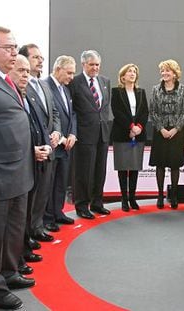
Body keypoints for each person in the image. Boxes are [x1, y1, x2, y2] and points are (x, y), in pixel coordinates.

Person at [0, 25, 35, 310]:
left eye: (15, 46)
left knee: (12, 229)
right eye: (8, 47)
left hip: (19, 171)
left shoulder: (6, 81)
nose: (14, 51)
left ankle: (8, 272)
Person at [10, 55, 52, 276]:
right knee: (16, 219)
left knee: (25, 215)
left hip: (34, 160)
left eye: (28, 71)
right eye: (21, 70)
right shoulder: (10, 97)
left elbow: (39, 126)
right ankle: (14, 263)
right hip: (16, 166)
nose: (25, 75)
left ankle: (22, 253)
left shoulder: (27, 96)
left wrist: (44, 147)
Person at [19, 43, 61, 241]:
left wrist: (57, 132)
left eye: (41, 58)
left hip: (49, 147)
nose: (41, 60)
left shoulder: (44, 84)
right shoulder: (21, 84)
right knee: (31, 196)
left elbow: (54, 112)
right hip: (33, 149)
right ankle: (26, 235)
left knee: (43, 192)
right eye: (36, 57)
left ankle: (37, 229)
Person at [69, 50, 112, 219]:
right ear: (83, 64)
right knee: (84, 172)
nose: (95, 68)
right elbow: (71, 109)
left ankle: (97, 202)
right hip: (84, 134)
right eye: (91, 64)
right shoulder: (75, 82)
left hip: (102, 134)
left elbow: (104, 107)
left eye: (97, 65)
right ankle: (82, 205)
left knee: (100, 171)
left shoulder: (105, 81)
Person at [149, 59, 184, 209]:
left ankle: (174, 196)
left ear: (174, 73)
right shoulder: (155, 89)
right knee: (160, 165)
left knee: (174, 165)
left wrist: (175, 129)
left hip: (176, 132)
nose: (164, 73)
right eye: (163, 71)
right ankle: (160, 195)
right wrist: (161, 129)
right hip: (160, 132)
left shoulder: (183, 89)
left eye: (168, 71)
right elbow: (152, 111)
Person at [44, 55, 77, 227]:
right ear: (58, 69)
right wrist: (62, 138)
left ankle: (58, 212)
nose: (72, 77)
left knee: (61, 181)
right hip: (54, 144)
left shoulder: (66, 89)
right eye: (69, 73)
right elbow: (47, 116)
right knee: (49, 183)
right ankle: (48, 218)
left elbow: (72, 114)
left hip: (67, 145)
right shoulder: (45, 86)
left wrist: (72, 134)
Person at [111, 64, 148, 211]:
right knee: (122, 167)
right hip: (122, 133)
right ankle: (124, 199)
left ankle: (133, 198)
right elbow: (117, 112)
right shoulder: (116, 92)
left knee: (134, 168)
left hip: (138, 134)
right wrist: (130, 127)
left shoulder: (140, 92)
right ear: (123, 76)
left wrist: (138, 127)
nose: (132, 74)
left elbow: (145, 111)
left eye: (134, 72)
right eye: (129, 72)